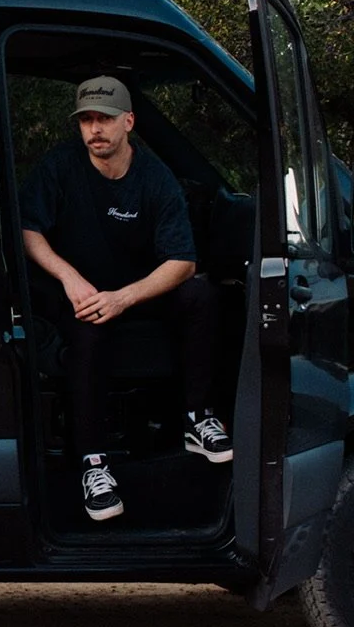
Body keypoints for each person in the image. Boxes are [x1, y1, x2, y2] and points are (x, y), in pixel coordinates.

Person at [20, 75, 233, 523]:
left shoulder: (155, 178)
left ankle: (197, 418)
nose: (95, 129)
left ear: (129, 122)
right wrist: (69, 277)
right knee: (88, 323)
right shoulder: (61, 165)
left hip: (136, 290)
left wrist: (123, 298)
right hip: (81, 290)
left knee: (201, 295)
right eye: (87, 120)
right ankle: (94, 464)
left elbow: (182, 262)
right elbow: (28, 231)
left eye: (105, 118)